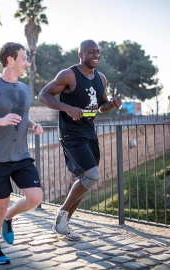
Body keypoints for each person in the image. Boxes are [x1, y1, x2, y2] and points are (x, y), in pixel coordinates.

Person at [38, 39, 122, 241]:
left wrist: (111, 104)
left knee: (86, 179)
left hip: (89, 132)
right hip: (70, 133)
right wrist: (66, 107)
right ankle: (61, 214)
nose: (96, 55)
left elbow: (101, 107)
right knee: (92, 175)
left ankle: (63, 223)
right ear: (80, 54)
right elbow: (43, 95)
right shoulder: (68, 75)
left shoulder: (101, 79)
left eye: (98, 52)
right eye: (91, 52)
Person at [0, 42, 44, 265]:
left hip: (21, 154)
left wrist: (33, 125)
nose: (27, 63)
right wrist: (1, 121)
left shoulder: (24, 89)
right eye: (23, 58)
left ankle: (9, 217)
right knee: (0, 204)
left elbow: (23, 116)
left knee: (35, 197)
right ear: (10, 60)